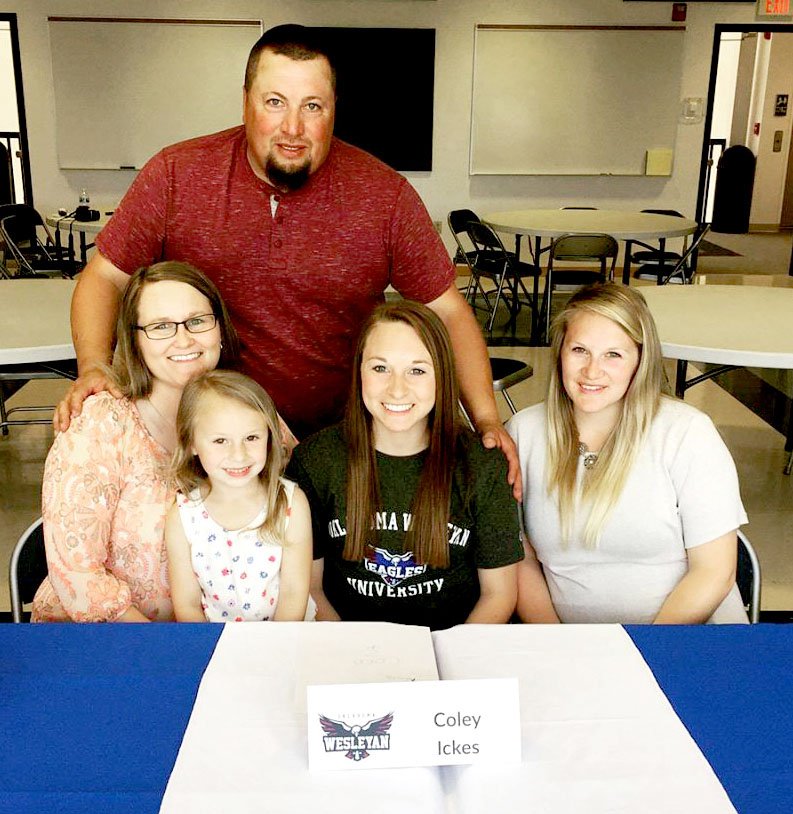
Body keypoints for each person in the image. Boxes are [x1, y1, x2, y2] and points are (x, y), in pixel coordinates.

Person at [55, 23, 520, 496]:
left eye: (311, 107)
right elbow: (105, 278)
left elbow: (447, 310)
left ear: (334, 110)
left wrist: (485, 418)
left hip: (340, 444)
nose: (292, 128)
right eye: (274, 102)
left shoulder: (385, 195)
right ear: (246, 101)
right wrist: (94, 365)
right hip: (210, 441)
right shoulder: (177, 175)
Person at [508, 283, 748, 625]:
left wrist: (645, 650)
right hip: (572, 647)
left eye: (613, 354)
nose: (592, 371)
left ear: (641, 360)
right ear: (559, 352)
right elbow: (520, 559)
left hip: (685, 640)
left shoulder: (687, 433)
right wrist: (557, 643)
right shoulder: (524, 431)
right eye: (579, 350)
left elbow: (715, 571)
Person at [287, 300, 523, 631]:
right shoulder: (316, 461)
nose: (397, 389)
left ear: (442, 375)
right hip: (345, 647)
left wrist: (442, 666)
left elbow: (498, 596)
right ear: (358, 372)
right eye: (380, 368)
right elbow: (309, 589)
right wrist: (351, 655)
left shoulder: (481, 465)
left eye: (417, 370)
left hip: (454, 648)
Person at [32, 261, 239, 622]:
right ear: (134, 340)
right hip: (104, 642)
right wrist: (168, 651)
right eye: (160, 327)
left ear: (219, 329)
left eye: (197, 321)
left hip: (218, 640)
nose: (184, 339)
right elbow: (78, 575)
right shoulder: (100, 425)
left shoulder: (244, 412)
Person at [165, 370, 312, 622]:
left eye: (251, 437)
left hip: (286, 638)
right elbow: (187, 604)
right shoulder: (183, 517)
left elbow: (293, 593)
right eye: (220, 441)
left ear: (268, 437)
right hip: (217, 642)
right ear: (191, 443)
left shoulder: (290, 504)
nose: (239, 455)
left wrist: (272, 654)